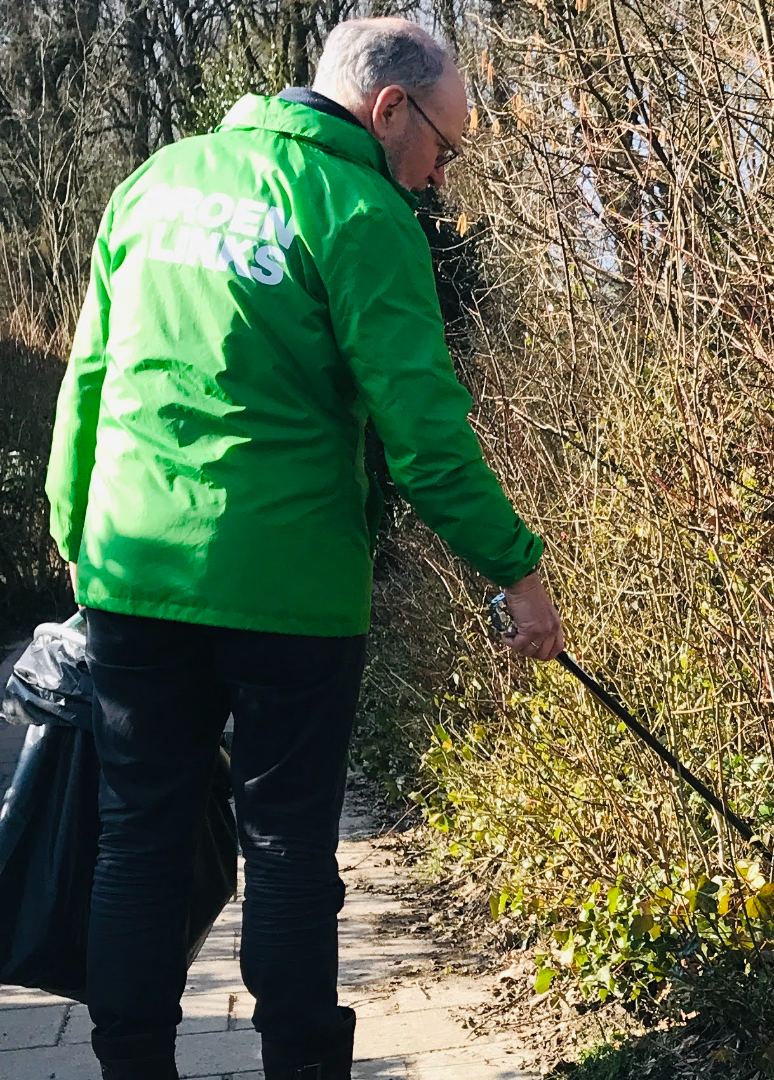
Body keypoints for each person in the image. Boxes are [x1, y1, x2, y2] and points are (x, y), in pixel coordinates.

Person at [42, 17, 564, 1080]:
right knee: (284, 850)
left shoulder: (157, 182)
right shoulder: (361, 210)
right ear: (389, 109)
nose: (439, 175)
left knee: (136, 840)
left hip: (135, 571)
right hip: (290, 591)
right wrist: (516, 567)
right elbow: (423, 430)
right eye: (445, 147)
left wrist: (76, 543)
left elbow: (87, 382)